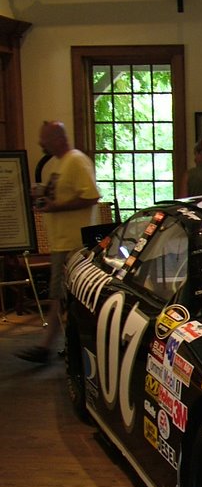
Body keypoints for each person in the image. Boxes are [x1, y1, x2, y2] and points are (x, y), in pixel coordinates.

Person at [16, 120, 101, 365]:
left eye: (44, 138)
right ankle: (53, 343)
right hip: (61, 242)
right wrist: (43, 193)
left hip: (73, 243)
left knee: (62, 296)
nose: (40, 143)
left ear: (57, 138)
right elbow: (65, 193)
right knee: (59, 296)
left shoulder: (76, 161)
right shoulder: (61, 165)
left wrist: (56, 206)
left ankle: (52, 344)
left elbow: (91, 196)